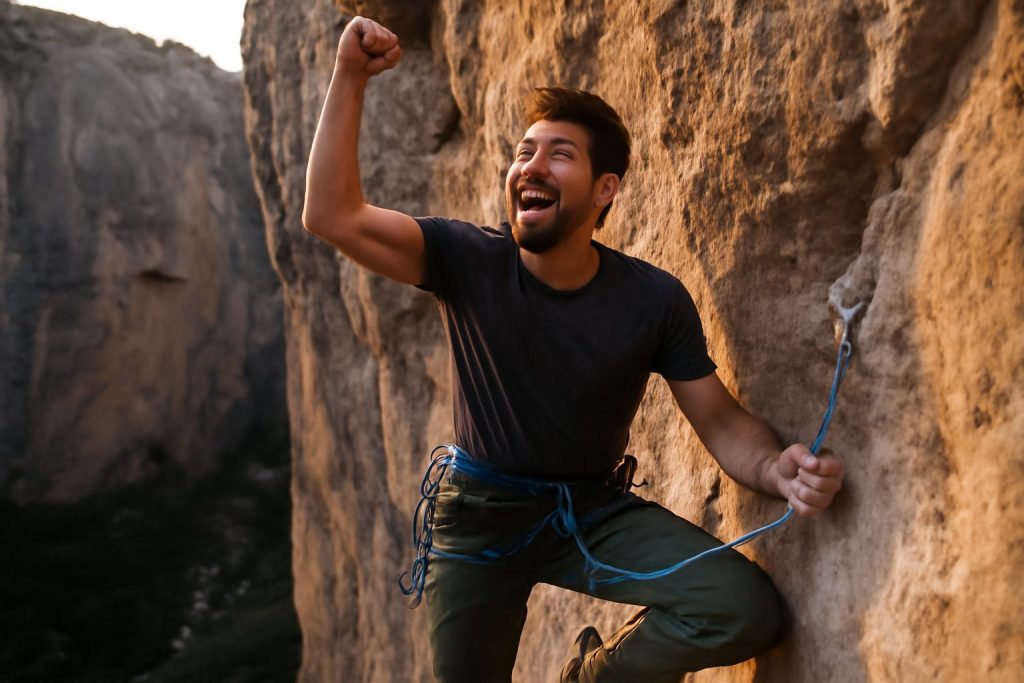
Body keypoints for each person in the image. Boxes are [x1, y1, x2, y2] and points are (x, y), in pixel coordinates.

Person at [303, 16, 844, 683]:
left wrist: (776, 468)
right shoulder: (467, 259)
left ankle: (589, 677)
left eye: (558, 153)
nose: (530, 164)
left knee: (742, 609)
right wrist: (350, 74)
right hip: (479, 520)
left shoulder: (652, 300)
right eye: (525, 151)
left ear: (605, 188)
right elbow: (331, 214)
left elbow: (722, 422)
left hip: (588, 512)